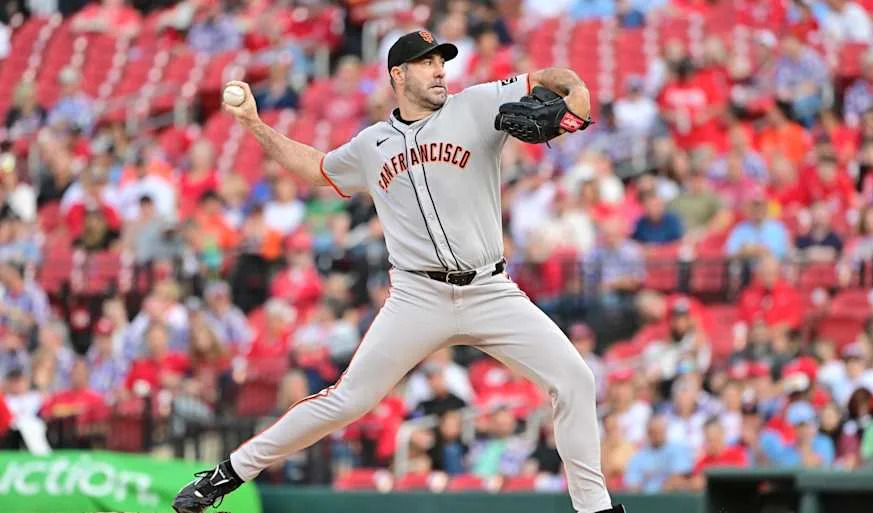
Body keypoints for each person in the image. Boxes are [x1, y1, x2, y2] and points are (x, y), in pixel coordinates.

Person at [173, 30, 623, 513]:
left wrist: (576, 94)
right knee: (346, 400)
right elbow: (318, 168)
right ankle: (231, 472)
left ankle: (594, 511)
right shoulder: (372, 145)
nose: (439, 70)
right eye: (427, 63)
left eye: (441, 61)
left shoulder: (475, 104)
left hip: (491, 290)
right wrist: (255, 125)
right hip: (417, 298)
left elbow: (554, 80)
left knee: (575, 380)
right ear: (398, 74)